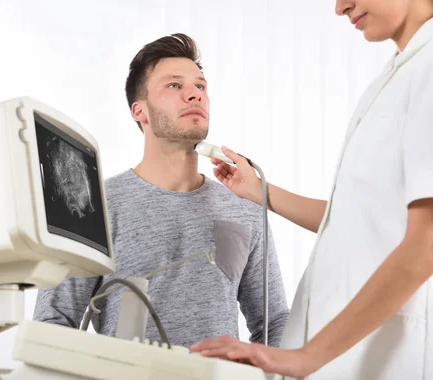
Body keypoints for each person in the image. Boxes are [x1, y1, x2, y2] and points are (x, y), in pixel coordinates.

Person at [191, 1, 433, 380]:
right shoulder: (400, 74)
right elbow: (356, 220)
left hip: (398, 376)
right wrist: (259, 192)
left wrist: (302, 358)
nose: (339, 7)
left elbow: (428, 247)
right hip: (344, 377)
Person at [33, 33, 290, 348]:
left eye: (200, 86)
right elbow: (55, 322)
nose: (194, 95)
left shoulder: (244, 207)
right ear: (139, 111)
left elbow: (274, 322)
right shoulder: (94, 206)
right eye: (174, 85)